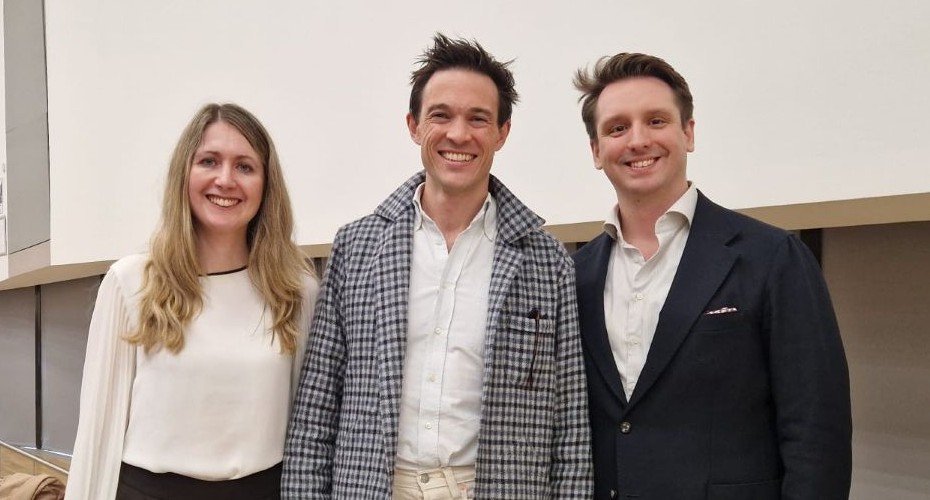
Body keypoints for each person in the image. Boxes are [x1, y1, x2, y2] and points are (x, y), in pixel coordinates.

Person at [282, 33, 592, 499]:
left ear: (502, 133)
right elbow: (316, 412)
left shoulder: (547, 262)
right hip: (375, 488)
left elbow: (570, 427)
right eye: (440, 115)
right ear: (414, 125)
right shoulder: (357, 247)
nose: (458, 135)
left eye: (478, 118)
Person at [571, 52, 853, 499]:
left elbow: (816, 433)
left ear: (688, 133)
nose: (638, 140)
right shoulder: (576, 275)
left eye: (656, 121)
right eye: (617, 128)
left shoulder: (773, 257)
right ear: (596, 151)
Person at [66, 103, 319, 500]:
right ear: (183, 174)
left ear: (267, 185)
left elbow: (309, 430)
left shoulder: (296, 290)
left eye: (245, 167)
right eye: (208, 161)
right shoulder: (131, 283)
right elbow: (97, 432)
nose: (225, 179)